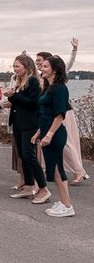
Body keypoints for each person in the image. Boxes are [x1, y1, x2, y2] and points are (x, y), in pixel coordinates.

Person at [37, 39, 88, 184]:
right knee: (53, 144)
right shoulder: (43, 76)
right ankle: (48, 169)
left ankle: (79, 171)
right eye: (37, 62)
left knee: (67, 143)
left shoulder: (58, 77)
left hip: (63, 112)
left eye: (41, 62)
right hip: (48, 113)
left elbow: (69, 63)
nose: (39, 64)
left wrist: (74, 50)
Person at [32, 55, 75, 217]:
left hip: (55, 134)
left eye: (45, 66)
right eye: (41, 66)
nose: (41, 69)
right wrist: (38, 133)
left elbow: (59, 115)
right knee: (55, 169)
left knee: (57, 169)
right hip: (47, 132)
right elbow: (45, 114)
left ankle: (67, 206)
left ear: (55, 69)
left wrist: (49, 135)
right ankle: (64, 202)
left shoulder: (60, 88)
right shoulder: (49, 87)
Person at [5, 55, 49, 203]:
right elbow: (19, 102)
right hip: (18, 122)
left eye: (17, 66)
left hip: (29, 123)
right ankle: (29, 186)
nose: (15, 69)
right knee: (22, 155)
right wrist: (11, 96)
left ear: (26, 66)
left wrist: (14, 96)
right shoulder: (19, 81)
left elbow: (34, 104)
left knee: (29, 155)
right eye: (13, 66)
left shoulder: (33, 81)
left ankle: (43, 188)